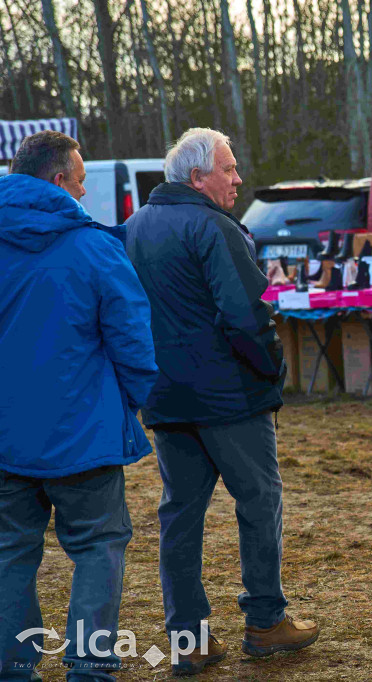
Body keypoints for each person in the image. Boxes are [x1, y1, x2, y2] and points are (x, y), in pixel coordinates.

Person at [124, 128, 317, 676]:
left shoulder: (133, 228)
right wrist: (272, 370)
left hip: (165, 396)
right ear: (198, 177)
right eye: (229, 170)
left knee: (179, 517)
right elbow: (246, 315)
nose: (237, 180)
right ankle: (265, 622)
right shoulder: (216, 228)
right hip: (229, 399)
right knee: (259, 504)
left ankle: (188, 638)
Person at [0, 131, 158, 681]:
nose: (86, 194)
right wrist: (135, 404)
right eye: (83, 182)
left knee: (10, 554)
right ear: (59, 181)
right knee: (97, 547)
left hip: (7, 438)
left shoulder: (89, 244)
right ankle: (90, 669)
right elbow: (134, 343)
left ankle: (12, 668)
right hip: (82, 436)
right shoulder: (93, 247)